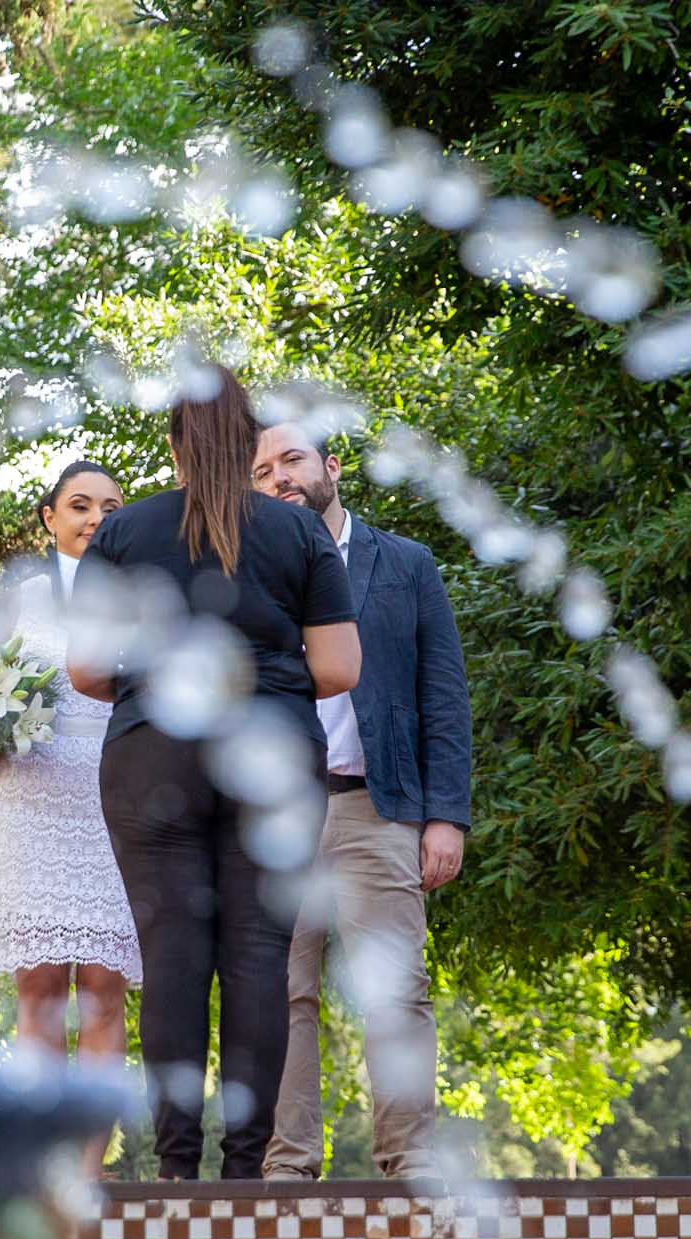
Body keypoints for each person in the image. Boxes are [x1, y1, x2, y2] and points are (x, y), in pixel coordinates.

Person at [67, 367, 361, 1180]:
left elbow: (85, 672)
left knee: (172, 958)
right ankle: (243, 1173)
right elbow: (339, 667)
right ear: (249, 444)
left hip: (152, 750)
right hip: (270, 754)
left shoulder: (123, 534)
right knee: (260, 957)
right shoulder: (300, 535)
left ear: (174, 448)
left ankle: (172, 1167)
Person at [250, 420, 471, 1182]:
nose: (278, 477)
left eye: (292, 460)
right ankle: (286, 1167)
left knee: (398, 994)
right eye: (262, 470)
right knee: (279, 997)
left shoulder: (406, 564)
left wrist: (444, 815)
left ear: (331, 467)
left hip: (375, 807)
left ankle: (410, 1161)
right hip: (270, 818)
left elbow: (442, 697)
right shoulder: (242, 574)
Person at [0, 462, 140, 1099]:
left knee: (101, 992)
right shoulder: (24, 598)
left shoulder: (142, 599)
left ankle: (90, 1171)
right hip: (30, 808)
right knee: (36, 992)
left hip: (113, 808)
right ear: (51, 517)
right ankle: (41, 1171)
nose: (96, 519)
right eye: (81, 506)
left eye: (112, 509)